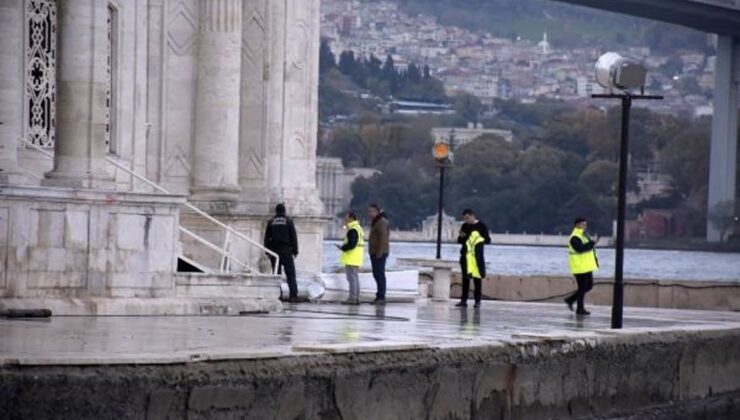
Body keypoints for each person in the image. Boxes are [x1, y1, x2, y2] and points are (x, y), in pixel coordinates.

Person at [455, 209, 491, 308]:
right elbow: (460, 240)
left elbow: (487, 240)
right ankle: (463, 300)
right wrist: (462, 236)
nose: (466, 220)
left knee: (477, 279)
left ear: (472, 216)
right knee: (465, 279)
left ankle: (477, 301)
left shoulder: (481, 226)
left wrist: (477, 238)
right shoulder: (464, 226)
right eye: (465, 219)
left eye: (467, 218)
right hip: (466, 256)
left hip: (476, 257)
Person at [263, 203, 299, 302]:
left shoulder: (271, 222)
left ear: (276, 211)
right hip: (286, 250)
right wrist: (295, 251)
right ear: (284, 211)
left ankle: (278, 294)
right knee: (290, 274)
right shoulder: (289, 221)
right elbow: (293, 237)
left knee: (276, 274)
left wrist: (267, 251)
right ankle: (293, 295)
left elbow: (266, 238)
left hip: (274, 250)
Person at [564, 217, 599, 315]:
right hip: (579, 267)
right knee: (583, 288)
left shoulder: (583, 235)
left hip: (586, 266)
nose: (585, 226)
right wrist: (592, 243)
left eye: (585, 224)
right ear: (577, 225)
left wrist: (592, 243)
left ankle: (570, 300)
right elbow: (580, 249)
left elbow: (587, 249)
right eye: (583, 224)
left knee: (588, 286)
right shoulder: (575, 237)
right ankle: (580, 308)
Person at [337, 211, 364, 305]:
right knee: (355, 278)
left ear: (351, 218)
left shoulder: (353, 229)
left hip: (351, 257)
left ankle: (352, 299)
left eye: (346, 218)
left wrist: (342, 248)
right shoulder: (358, 228)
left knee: (352, 279)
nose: (345, 220)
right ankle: (356, 298)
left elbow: (352, 244)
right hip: (357, 257)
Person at [367, 203, 389, 305]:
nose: (370, 214)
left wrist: (379, 253)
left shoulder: (381, 222)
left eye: (371, 211)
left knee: (379, 274)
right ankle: (379, 295)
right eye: (369, 211)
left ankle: (381, 297)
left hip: (379, 253)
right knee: (377, 274)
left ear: (377, 211)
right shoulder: (376, 221)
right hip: (375, 252)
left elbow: (383, 238)